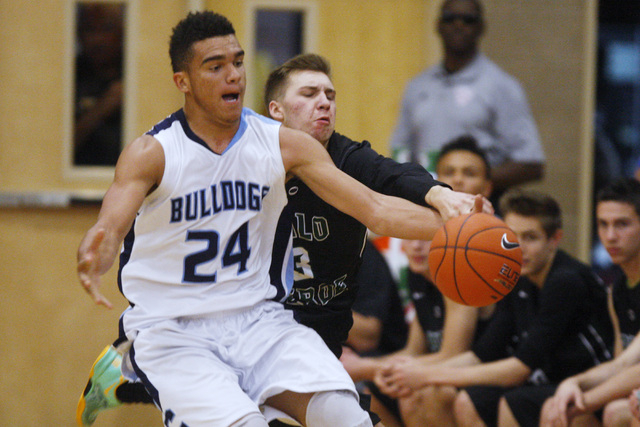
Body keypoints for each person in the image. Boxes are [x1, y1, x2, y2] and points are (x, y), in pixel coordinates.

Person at [76, 25, 489, 427]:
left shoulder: (286, 145)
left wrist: (461, 224)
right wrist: (101, 247)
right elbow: (111, 223)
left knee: (349, 419)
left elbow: (377, 208)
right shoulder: (154, 152)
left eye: (237, 62)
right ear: (183, 81)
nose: (234, 73)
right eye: (215, 65)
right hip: (175, 328)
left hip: (260, 320)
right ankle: (133, 369)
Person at [374, 189, 614, 427]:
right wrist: (410, 371)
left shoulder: (565, 281)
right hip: (546, 383)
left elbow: (519, 369)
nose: (520, 247)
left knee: (496, 401)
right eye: (512, 237)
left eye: (530, 237)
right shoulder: (516, 278)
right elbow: (482, 354)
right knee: (452, 398)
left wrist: (426, 375)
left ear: (555, 239)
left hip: (587, 384)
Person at [340, 135, 496, 426]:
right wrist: (378, 370)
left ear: (487, 188)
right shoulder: (419, 273)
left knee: (429, 391)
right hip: (447, 369)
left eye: (469, 173)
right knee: (387, 391)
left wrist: (366, 367)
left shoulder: (466, 264)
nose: (416, 245)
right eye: (450, 173)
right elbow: (415, 351)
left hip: (483, 370)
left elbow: (453, 354)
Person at [389, 0, 544, 203]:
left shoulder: (502, 86)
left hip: (479, 205)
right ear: (437, 25)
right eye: (450, 18)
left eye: (468, 19)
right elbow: (400, 151)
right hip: (424, 202)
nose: (458, 25)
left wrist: (470, 179)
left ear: (481, 27)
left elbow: (531, 164)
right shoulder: (417, 86)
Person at [540, 177, 640, 427]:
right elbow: (622, 363)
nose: (610, 236)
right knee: (554, 408)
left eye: (622, 224)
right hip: (631, 390)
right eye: (603, 224)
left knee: (617, 412)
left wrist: (587, 397)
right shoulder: (617, 289)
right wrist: (573, 384)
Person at [74, 2, 125, 166]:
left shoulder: (137, 72)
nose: (98, 39)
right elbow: (53, 148)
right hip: (77, 181)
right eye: (90, 29)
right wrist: (101, 109)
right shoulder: (69, 74)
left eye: (107, 28)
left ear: (123, 32)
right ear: (79, 34)